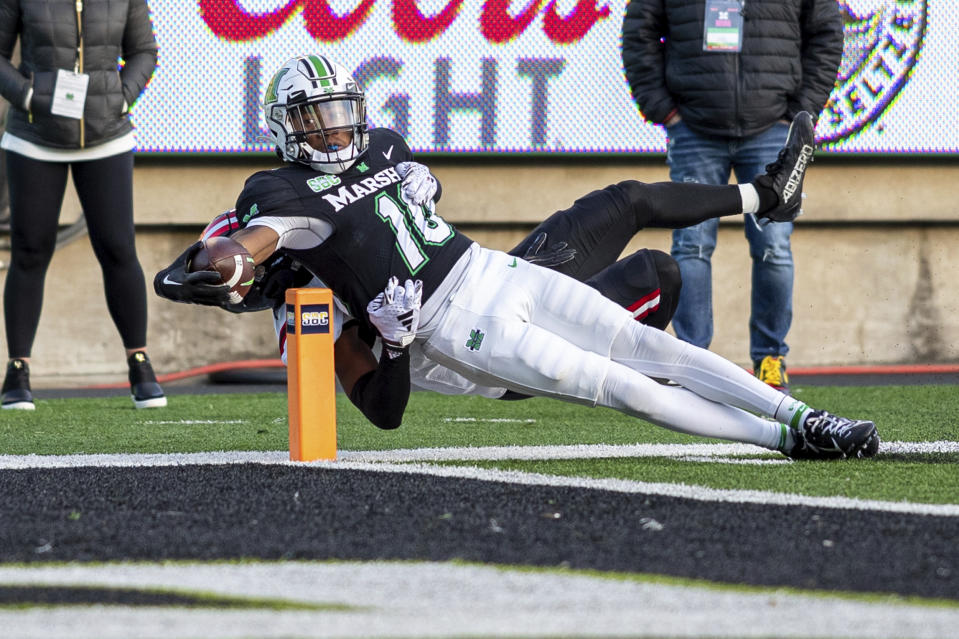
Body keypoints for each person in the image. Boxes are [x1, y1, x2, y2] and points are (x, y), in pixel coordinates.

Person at [157, 54, 877, 460]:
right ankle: (776, 438)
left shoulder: (378, 146)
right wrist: (223, 264)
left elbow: (414, 200)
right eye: (313, 119)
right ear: (285, 130)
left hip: (491, 268)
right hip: (454, 328)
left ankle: (805, 415)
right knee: (621, 384)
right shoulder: (281, 195)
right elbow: (243, 250)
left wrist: (423, 184)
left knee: (642, 346)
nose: (332, 129)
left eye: (338, 111)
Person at [621, 0, 844, 393]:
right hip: (694, 129)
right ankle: (691, 362)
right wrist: (663, 109)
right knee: (691, 246)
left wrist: (800, 110)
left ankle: (771, 359)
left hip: (772, 128)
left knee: (773, 247)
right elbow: (638, 30)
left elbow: (826, 32)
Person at [0, 0, 165, 409]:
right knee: (30, 251)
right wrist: (28, 97)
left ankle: (139, 364)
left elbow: (145, 52)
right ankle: (17, 371)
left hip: (106, 135)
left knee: (117, 248)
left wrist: (123, 97)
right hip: (34, 135)